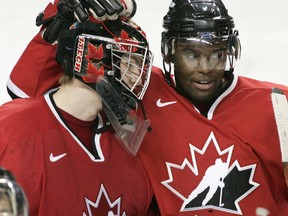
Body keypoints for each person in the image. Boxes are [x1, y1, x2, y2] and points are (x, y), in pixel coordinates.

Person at [6, 0, 288, 215]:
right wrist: (64, 13)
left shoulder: (276, 102)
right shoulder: (138, 89)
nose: (205, 68)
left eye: (216, 54)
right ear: (169, 50)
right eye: (191, 54)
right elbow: (26, 94)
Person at [0, 14, 158, 215]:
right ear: (92, 57)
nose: (138, 75)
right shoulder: (11, 129)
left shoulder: (130, 150)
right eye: (129, 62)